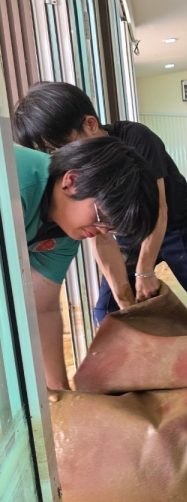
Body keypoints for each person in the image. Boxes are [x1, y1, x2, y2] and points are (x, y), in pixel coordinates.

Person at [13, 81, 187, 332]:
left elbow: (160, 209)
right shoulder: (75, 175)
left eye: (60, 147)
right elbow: (99, 233)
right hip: (127, 233)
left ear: (90, 124)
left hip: (176, 227)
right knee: (108, 313)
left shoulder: (135, 138)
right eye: (50, 153)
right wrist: (125, 300)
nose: (59, 159)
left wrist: (144, 271)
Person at [15, 138, 158, 390]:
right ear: (72, 181)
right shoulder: (15, 186)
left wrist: (61, 392)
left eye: (111, 227)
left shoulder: (65, 230)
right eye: (101, 217)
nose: (101, 230)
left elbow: (43, 308)